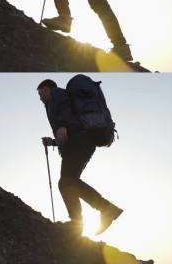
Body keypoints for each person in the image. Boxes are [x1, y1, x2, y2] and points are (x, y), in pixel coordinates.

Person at [37, 78, 123, 235]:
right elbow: (72, 128)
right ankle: (84, 220)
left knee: (67, 181)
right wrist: (53, 142)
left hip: (80, 141)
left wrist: (62, 125)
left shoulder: (57, 94)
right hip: (80, 142)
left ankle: (97, 213)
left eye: (40, 92)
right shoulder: (56, 100)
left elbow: (67, 119)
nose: (40, 97)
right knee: (68, 182)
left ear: (47, 88)